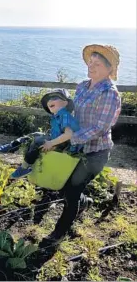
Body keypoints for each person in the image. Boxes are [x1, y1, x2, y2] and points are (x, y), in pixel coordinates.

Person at [41, 44, 122, 246]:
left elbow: (100, 128)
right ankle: (84, 203)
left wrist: (69, 138)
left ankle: (57, 235)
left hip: (95, 152)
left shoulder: (110, 94)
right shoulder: (82, 86)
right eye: (90, 62)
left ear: (109, 69)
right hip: (76, 147)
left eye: (97, 64)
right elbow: (74, 114)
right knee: (63, 184)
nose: (91, 67)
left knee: (72, 190)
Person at [0, 88, 82, 179]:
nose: (50, 101)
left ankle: (24, 167)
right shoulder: (58, 116)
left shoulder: (65, 116)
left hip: (65, 145)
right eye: (48, 100)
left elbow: (69, 135)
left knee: (37, 141)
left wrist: (51, 143)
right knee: (34, 134)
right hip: (57, 140)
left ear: (66, 103)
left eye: (55, 98)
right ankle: (11, 146)